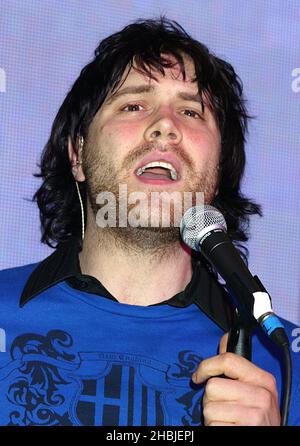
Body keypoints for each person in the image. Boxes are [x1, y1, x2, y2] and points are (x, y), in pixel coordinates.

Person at [0, 17, 299, 427]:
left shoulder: (286, 360)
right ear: (77, 156)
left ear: (219, 169)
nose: (165, 126)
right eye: (134, 105)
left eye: (191, 111)